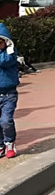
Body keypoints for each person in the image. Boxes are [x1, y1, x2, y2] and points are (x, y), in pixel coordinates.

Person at [0, 24, 19, 159]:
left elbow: (5, 61)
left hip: (9, 94)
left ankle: (9, 143)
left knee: (6, 121)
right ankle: (1, 145)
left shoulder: (10, 52)